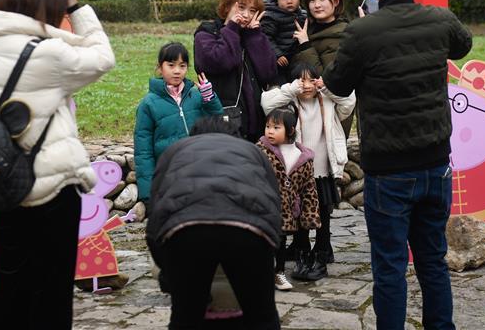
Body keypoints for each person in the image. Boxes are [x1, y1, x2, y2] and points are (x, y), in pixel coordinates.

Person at [322, 0, 473, 330]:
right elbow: (463, 45)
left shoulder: (363, 32)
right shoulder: (440, 20)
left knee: (390, 266)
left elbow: (336, 85)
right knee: (432, 260)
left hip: (387, 169)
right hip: (436, 162)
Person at [0, 0, 115, 330]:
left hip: (0, 184)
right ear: (47, 4)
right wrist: (78, 9)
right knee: (51, 291)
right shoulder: (49, 55)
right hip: (51, 190)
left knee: (6, 282)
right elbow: (102, 57)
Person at [146, 116, 282, 330]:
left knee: (185, 318)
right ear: (235, 136)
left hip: (185, 230)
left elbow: (155, 212)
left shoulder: (175, 150)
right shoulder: (252, 151)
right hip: (249, 230)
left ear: (192, 136)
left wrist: (169, 273)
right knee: (262, 317)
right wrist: (269, 252)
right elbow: (274, 203)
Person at [261, 63, 354, 281]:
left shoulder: (328, 101)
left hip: (323, 171)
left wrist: (327, 87)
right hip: (300, 173)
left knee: (322, 215)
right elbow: (266, 103)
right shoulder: (290, 104)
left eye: (311, 79)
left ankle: (322, 256)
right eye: (301, 80)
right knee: (301, 215)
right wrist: (292, 88)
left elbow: (349, 102)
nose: (306, 85)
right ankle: (302, 255)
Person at [134, 41, 223, 204]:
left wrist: (209, 99)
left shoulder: (196, 96)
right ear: (160, 67)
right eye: (171, 65)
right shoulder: (148, 104)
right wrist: (148, 192)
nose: (177, 71)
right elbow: (143, 152)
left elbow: (217, 122)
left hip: (199, 169)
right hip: (169, 175)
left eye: (182, 66)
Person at [194, 0, 277, 142]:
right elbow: (220, 62)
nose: (246, 15)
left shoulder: (252, 35)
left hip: (255, 123)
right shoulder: (206, 33)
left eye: (252, 11)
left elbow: (269, 73)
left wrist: (255, 36)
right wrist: (231, 28)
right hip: (223, 121)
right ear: (227, 7)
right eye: (241, 7)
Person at [255, 107, 320, 291]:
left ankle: (279, 272)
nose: (270, 131)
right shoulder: (261, 151)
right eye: (268, 126)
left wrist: (309, 214)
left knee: (281, 241)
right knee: (264, 240)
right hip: (265, 206)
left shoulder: (303, 157)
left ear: (290, 130)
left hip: (288, 210)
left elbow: (309, 188)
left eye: (276, 127)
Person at [293, 0, 353, 137]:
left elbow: (326, 77)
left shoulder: (343, 34)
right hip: (306, 109)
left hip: (330, 112)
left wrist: (305, 44)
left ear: (336, 1)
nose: (316, 5)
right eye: (311, 0)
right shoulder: (307, 29)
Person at [260, 0, 307, 83]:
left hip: (295, 60)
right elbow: (266, 37)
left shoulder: (303, 15)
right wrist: (277, 54)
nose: (289, 1)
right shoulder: (271, 15)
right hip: (278, 61)